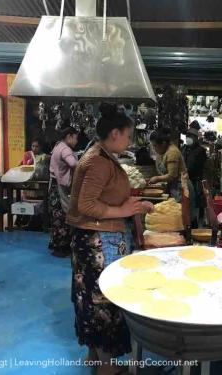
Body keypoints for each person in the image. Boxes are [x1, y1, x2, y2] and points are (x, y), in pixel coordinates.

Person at [66, 103, 153, 375]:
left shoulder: (102, 155)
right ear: (115, 133)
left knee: (91, 298)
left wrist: (132, 203)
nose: (129, 141)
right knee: (102, 300)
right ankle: (107, 367)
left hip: (98, 239)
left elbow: (104, 196)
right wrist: (124, 210)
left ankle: (95, 356)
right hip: (97, 243)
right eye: (127, 135)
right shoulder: (98, 161)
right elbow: (86, 205)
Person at [48, 127, 78, 257]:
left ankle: (55, 244)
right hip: (59, 188)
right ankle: (61, 248)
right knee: (62, 217)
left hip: (54, 185)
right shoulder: (65, 149)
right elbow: (73, 164)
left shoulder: (58, 146)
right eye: (75, 137)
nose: (76, 141)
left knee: (57, 217)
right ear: (69, 136)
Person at [148, 128, 188, 201]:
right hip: (173, 186)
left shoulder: (172, 152)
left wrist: (157, 178)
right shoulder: (162, 151)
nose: (154, 148)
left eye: (155, 146)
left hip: (181, 188)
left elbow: (172, 175)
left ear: (163, 143)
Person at [181, 128, 207, 227]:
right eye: (187, 136)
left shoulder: (201, 151)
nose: (188, 138)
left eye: (191, 136)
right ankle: (189, 224)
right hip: (185, 180)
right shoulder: (184, 148)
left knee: (197, 205)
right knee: (188, 205)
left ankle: (197, 226)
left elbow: (199, 166)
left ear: (196, 138)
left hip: (196, 181)